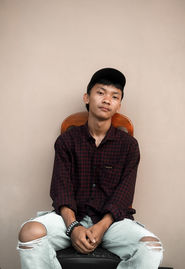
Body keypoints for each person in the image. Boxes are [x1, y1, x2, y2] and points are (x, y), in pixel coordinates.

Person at [17, 68, 163, 268]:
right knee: (29, 233)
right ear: (87, 97)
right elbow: (62, 190)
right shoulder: (67, 141)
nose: (106, 99)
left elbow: (124, 195)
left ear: (119, 105)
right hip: (69, 219)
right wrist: (74, 227)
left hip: (112, 224)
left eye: (114, 96)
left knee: (151, 247)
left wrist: (102, 227)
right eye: (100, 92)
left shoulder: (129, 146)